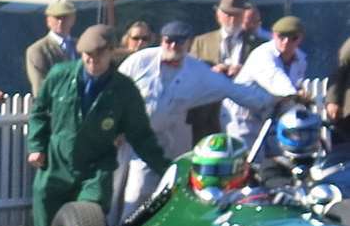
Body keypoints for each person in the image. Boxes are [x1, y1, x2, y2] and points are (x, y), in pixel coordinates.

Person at [26, 26, 166, 226]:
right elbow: (39, 111)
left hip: (96, 166)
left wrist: (165, 168)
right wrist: (36, 145)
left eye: (98, 55)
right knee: (47, 225)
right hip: (56, 163)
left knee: (86, 224)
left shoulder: (124, 89)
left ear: (111, 52)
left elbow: (141, 135)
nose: (92, 61)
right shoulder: (60, 75)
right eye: (86, 56)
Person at [117, 22, 273, 208]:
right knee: (121, 192)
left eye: (179, 42)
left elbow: (234, 90)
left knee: (157, 191)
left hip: (167, 139)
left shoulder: (198, 72)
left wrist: (275, 100)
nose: (173, 46)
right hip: (128, 136)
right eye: (169, 41)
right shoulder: (140, 61)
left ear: (189, 44)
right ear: (161, 40)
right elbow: (114, 91)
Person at [188, 0, 263, 141]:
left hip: (242, 115)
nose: (231, 19)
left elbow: (264, 76)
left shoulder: (256, 44)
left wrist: (244, 71)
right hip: (207, 113)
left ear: (243, 16)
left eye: (236, 15)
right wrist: (211, 72)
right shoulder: (202, 41)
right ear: (218, 15)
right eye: (227, 14)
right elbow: (190, 74)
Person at [225, 15, 309, 147]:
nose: (286, 42)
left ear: (300, 39)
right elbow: (276, 79)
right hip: (242, 117)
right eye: (281, 37)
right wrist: (297, 95)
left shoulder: (301, 60)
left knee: (277, 160)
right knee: (248, 161)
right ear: (274, 35)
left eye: (293, 38)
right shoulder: (263, 54)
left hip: (269, 116)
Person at [24, 1, 79, 92]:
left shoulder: (81, 46)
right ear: (48, 21)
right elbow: (40, 87)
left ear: (73, 19)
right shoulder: (37, 50)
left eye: (65, 17)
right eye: (57, 17)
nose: (60, 21)